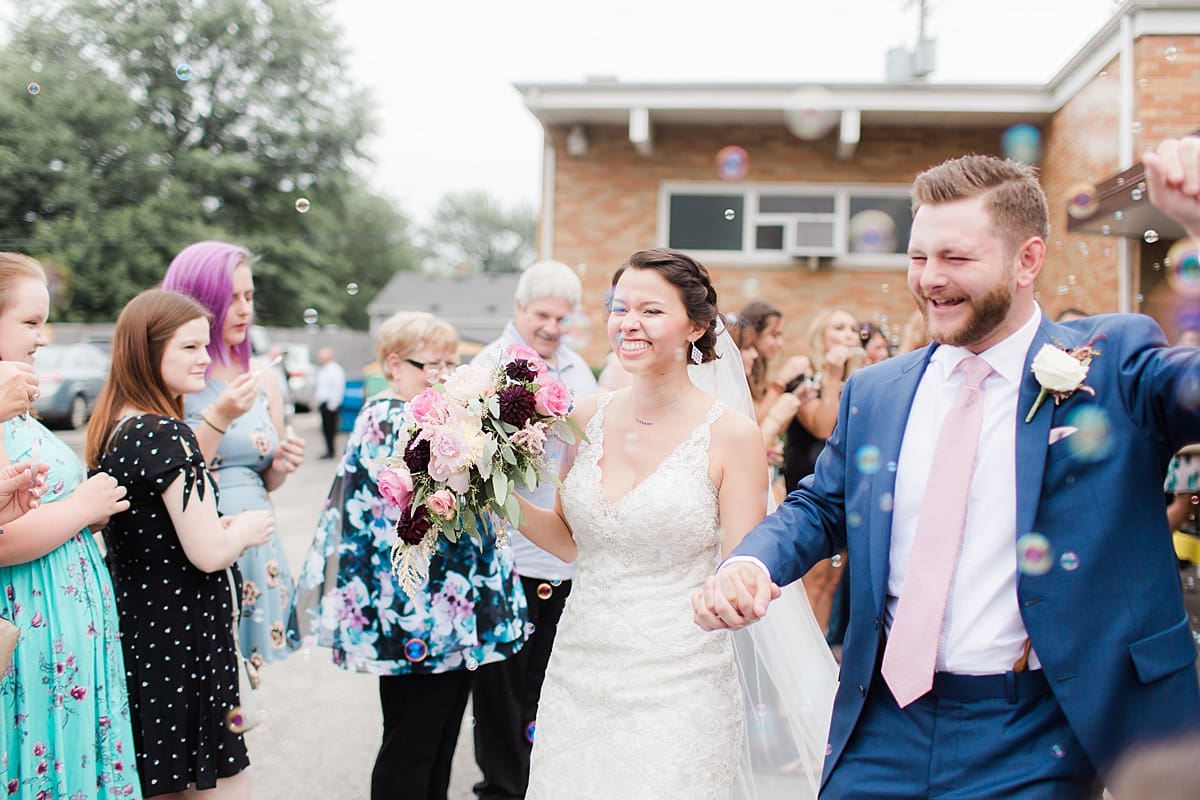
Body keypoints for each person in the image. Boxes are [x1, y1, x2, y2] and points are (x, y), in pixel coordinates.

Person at [697, 137, 1200, 797]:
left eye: (956, 258)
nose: (929, 278)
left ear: (1028, 260)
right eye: (918, 257)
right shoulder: (876, 391)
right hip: (882, 724)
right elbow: (821, 505)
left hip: (1038, 730)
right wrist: (751, 562)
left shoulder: (1112, 364)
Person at [515, 248, 834, 799]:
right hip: (580, 669)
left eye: (651, 310)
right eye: (620, 308)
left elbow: (743, 563)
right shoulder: (585, 416)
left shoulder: (732, 435)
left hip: (681, 677)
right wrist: (489, 498)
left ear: (696, 326)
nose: (628, 323)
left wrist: (737, 598)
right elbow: (569, 543)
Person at [294, 311, 527, 800]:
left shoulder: (440, 416)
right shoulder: (387, 418)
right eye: (431, 365)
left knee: (438, 745)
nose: (444, 376)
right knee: (411, 747)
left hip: (446, 616)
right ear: (395, 365)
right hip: (414, 616)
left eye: (451, 364)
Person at [87, 288, 275, 799]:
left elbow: (155, 530)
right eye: (188, 347)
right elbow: (208, 553)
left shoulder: (116, 427)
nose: (205, 358)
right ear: (147, 353)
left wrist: (217, 527)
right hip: (184, 638)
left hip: (144, 633)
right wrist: (243, 531)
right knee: (223, 787)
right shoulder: (165, 433)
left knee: (165, 782)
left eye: (204, 345)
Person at [0, 252, 140, 799]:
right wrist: (81, 507)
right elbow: (3, 540)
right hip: (27, 625)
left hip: (66, 622)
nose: (42, 337)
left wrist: (85, 516)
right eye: (30, 322)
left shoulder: (15, 404)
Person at [469, 259, 598, 800]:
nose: (551, 327)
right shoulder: (489, 366)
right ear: (519, 308)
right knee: (501, 686)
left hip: (561, 554)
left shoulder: (577, 369)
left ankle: (539, 784)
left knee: (544, 683)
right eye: (542, 315)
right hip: (506, 553)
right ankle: (501, 789)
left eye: (562, 318)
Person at [163, 241, 306, 665]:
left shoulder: (263, 377)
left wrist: (280, 465)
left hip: (257, 543)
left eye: (250, 296)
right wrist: (220, 417)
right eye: (232, 299)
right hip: (197, 546)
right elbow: (173, 471)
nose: (245, 310)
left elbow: (265, 480)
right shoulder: (176, 377)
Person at [314, 347, 346, 459]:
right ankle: (328, 450)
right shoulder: (323, 369)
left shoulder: (335, 370)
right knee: (325, 429)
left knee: (330, 429)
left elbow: (338, 388)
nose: (319, 359)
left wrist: (333, 404)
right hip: (323, 403)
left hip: (331, 405)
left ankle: (331, 451)